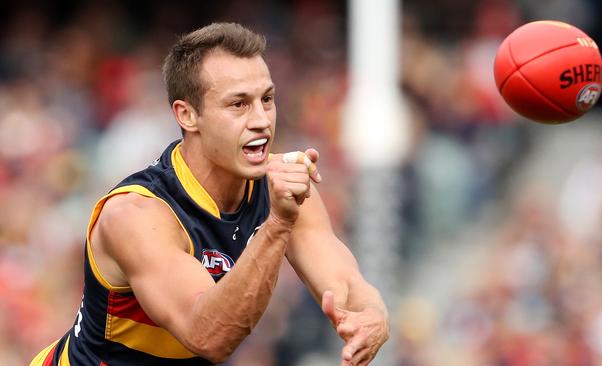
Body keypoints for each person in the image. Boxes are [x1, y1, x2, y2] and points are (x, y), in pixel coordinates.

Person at [30, 22, 389, 366]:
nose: (262, 119)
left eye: (267, 99)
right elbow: (208, 337)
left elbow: (348, 287)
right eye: (239, 104)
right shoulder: (136, 214)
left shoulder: (280, 187)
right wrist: (277, 224)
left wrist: (373, 318)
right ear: (187, 115)